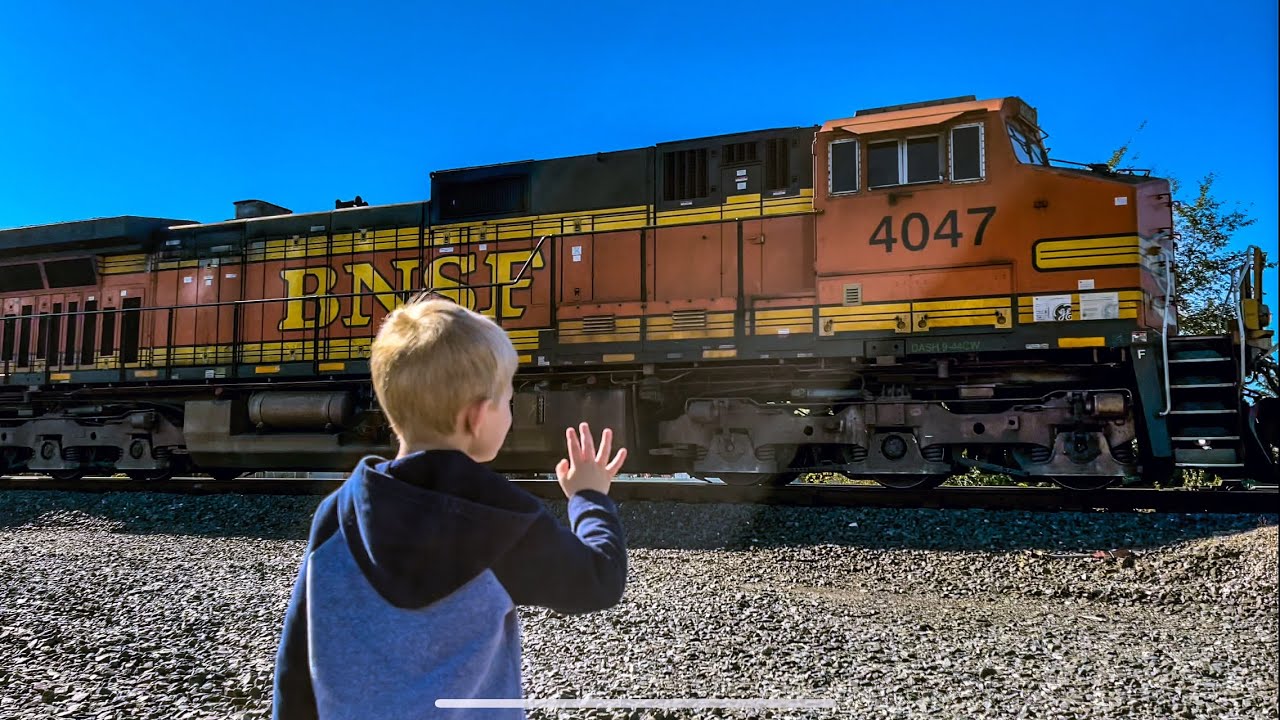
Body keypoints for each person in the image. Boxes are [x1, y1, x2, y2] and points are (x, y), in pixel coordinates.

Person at [271, 298, 629, 719]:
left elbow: (296, 662)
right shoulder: (501, 519)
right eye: (508, 400)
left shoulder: (337, 514)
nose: (510, 413)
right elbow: (598, 578)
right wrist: (589, 497)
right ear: (478, 418)